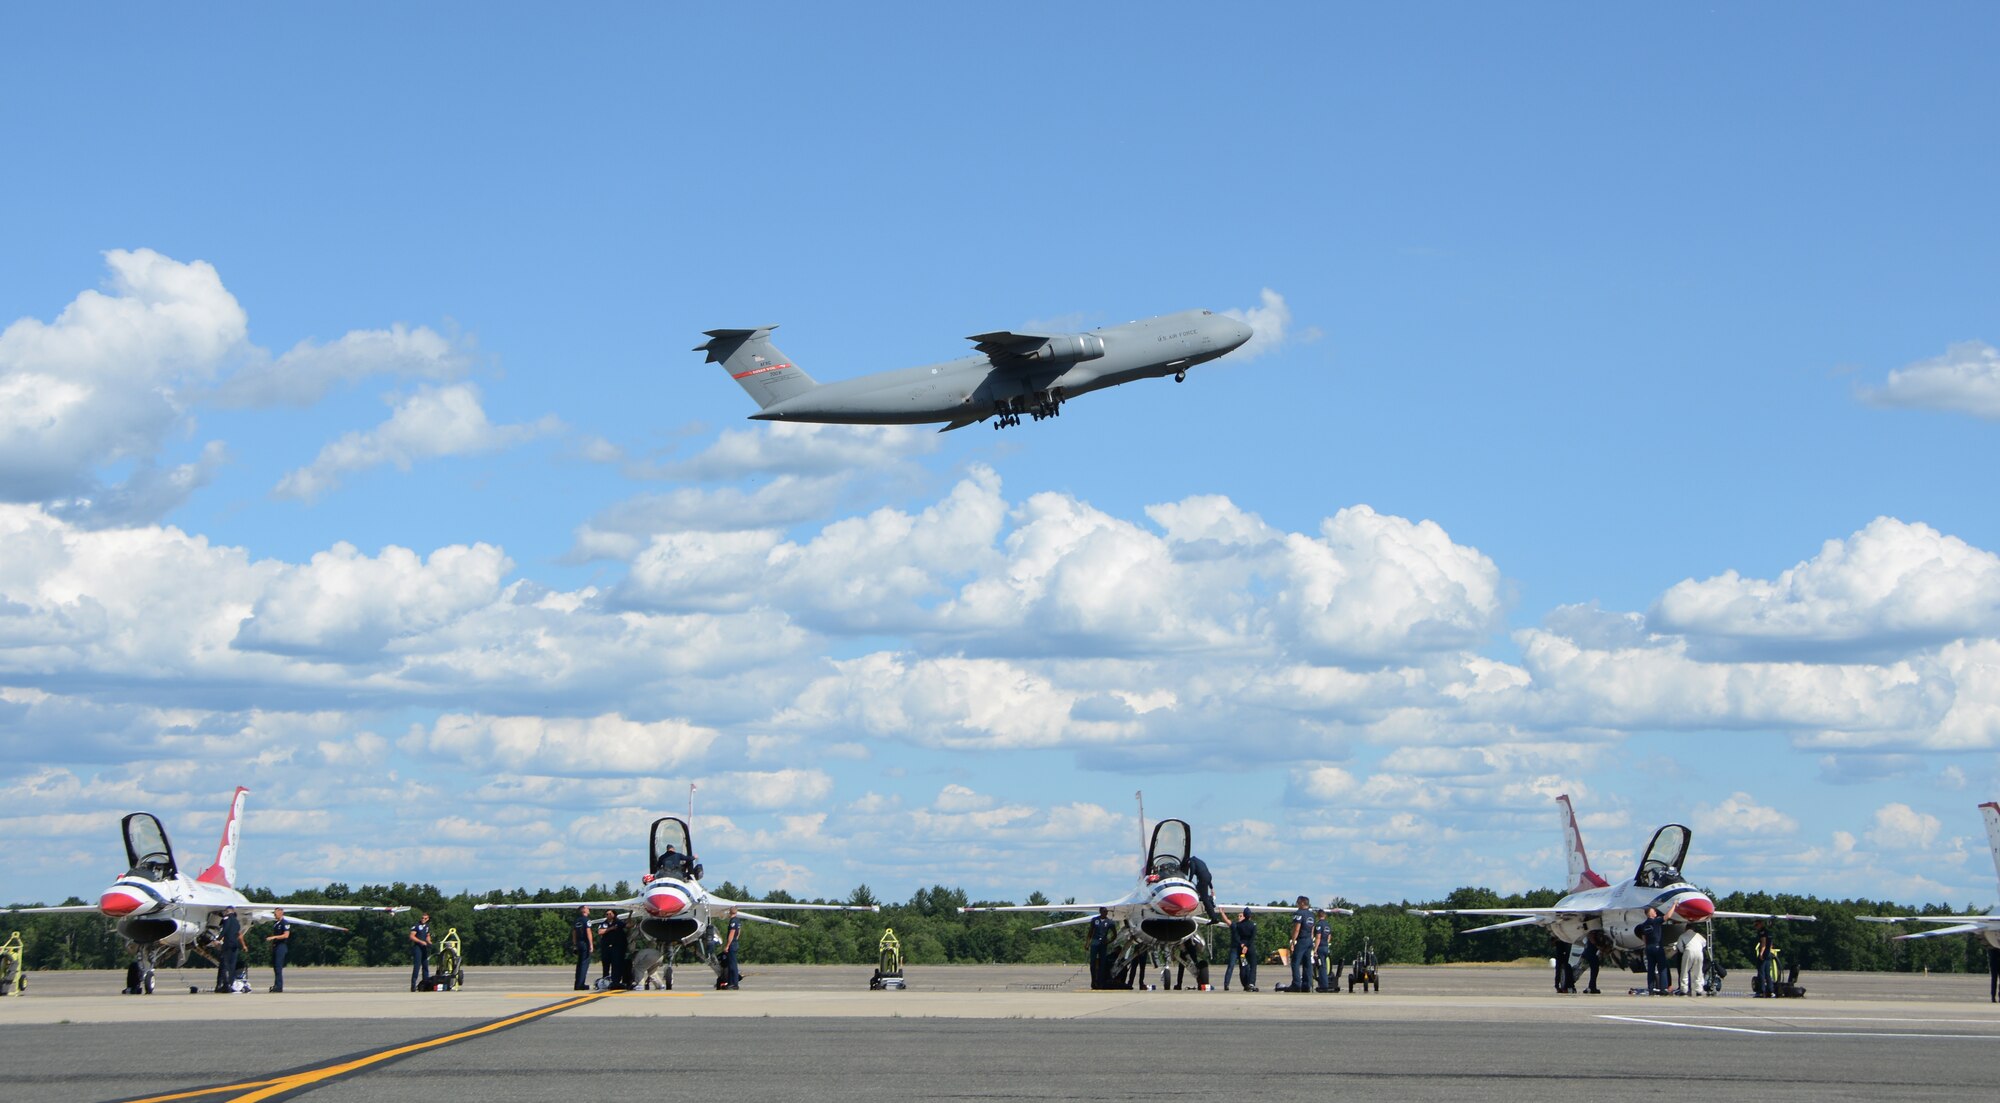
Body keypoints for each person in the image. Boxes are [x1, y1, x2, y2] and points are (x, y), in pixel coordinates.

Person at [1635, 907, 1667, 993]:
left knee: (1650, 969)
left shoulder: (1644, 924)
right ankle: (1663, 988)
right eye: (1654, 911)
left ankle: (1651, 988)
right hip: (1657, 947)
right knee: (1662, 968)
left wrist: (1647, 946)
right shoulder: (1655, 921)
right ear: (1649, 913)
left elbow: (1644, 937)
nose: (1655, 912)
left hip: (1649, 947)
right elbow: (1667, 916)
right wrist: (1674, 905)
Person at [1224, 908, 1257, 991]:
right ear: (1250, 916)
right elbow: (1252, 938)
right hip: (1250, 948)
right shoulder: (1253, 925)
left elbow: (1236, 936)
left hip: (1242, 949)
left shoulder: (1239, 925)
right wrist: (1247, 946)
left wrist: (1242, 945)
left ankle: (1245, 983)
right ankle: (1251, 983)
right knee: (1253, 965)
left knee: (1243, 965)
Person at [215, 907, 246, 993]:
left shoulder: (226, 919)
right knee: (232, 965)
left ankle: (225, 985)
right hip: (235, 945)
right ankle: (230, 983)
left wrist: (218, 939)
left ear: (227, 912)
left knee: (225, 965)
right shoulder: (236, 921)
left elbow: (225, 929)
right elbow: (238, 933)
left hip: (227, 944)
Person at [1184, 853, 1220, 924]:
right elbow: (1206, 874)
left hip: (1203, 880)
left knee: (1205, 900)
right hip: (1208, 877)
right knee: (1199, 889)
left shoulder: (1191, 861)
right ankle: (1210, 901)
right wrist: (1211, 888)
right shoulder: (1200, 861)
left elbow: (1192, 870)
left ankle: (1214, 918)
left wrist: (1189, 881)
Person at [1288, 896, 1314, 993]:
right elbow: (1312, 930)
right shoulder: (1311, 915)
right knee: (1307, 963)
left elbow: (1297, 928)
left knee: (1295, 962)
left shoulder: (1299, 914)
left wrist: (1293, 941)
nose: (1297, 904)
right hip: (1309, 940)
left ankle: (1296, 984)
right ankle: (1307, 985)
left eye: (1298, 902)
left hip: (1301, 940)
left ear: (1302, 903)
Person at [602, 912, 631, 989]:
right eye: (607, 914)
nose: (608, 915)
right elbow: (600, 931)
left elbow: (628, 926)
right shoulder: (604, 923)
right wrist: (611, 929)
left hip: (617, 947)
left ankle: (615, 982)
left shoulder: (618, 922)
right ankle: (605, 981)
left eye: (610, 914)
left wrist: (630, 919)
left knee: (616, 965)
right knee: (606, 965)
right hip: (607, 947)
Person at [265, 907, 291, 993]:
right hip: (276, 946)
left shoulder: (285, 923)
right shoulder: (276, 924)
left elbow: (286, 935)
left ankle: (279, 986)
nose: (274, 915)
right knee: (276, 967)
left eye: (275, 913)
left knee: (278, 967)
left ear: (280, 913)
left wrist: (274, 937)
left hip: (281, 946)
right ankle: (276, 985)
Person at [1087, 908, 1113, 989]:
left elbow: (1114, 934)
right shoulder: (1095, 920)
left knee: (1102, 964)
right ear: (1100, 912)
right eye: (1104, 911)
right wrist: (1087, 943)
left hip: (1103, 944)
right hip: (1094, 943)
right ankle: (1093, 981)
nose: (1106, 913)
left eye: (1106, 912)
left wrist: (1108, 941)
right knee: (1093, 963)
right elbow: (1090, 932)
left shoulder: (1109, 922)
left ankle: (1100, 982)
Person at [570, 906, 594, 991]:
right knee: (584, 964)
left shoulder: (577, 921)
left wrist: (575, 944)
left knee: (579, 964)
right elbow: (588, 932)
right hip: (585, 943)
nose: (589, 909)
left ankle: (577, 984)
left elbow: (574, 933)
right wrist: (591, 944)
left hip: (579, 943)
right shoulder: (587, 920)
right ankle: (581, 984)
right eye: (587, 908)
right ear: (584, 910)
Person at [1679, 926, 1708, 996]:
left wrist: (1683, 951)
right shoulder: (1698, 935)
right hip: (1699, 952)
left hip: (1688, 951)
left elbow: (1679, 946)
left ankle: (1684, 989)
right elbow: (1704, 943)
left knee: (1685, 971)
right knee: (1698, 972)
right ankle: (1699, 989)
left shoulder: (1682, 935)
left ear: (1685, 929)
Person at [719, 907, 742, 989]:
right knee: (733, 964)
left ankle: (733, 983)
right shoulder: (738, 921)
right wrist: (736, 939)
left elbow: (731, 934)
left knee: (732, 965)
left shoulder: (732, 921)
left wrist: (728, 945)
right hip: (735, 943)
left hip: (732, 944)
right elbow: (738, 932)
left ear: (729, 912)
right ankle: (733, 982)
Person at [409, 913, 433, 992]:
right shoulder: (416, 925)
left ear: (428, 919)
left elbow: (427, 935)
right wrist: (420, 941)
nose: (423, 919)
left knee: (425, 965)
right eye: (422, 918)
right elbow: (412, 936)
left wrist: (429, 941)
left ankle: (425, 984)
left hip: (424, 947)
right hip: (417, 947)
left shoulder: (427, 926)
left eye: (425, 918)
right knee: (417, 966)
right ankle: (413, 985)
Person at [1314, 910, 1334, 992]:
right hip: (1326, 947)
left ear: (1318, 916)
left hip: (1321, 947)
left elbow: (1318, 937)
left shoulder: (1319, 925)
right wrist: (1326, 943)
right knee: (1324, 966)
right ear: (1325, 916)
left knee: (1321, 967)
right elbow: (1329, 937)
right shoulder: (1328, 925)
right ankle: (1324, 983)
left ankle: (1324, 985)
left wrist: (1315, 949)